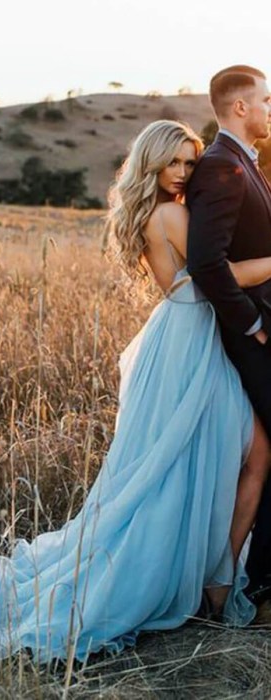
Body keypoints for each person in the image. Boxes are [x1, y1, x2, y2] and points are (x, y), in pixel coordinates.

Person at [0, 120, 271, 665]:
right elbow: (216, 273)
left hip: (179, 336)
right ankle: (217, 585)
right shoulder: (173, 213)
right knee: (239, 458)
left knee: (191, 461)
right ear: (152, 164)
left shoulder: (151, 211)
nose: (184, 173)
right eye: (175, 162)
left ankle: (214, 578)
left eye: (190, 163)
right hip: (189, 344)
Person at [186, 65, 271, 604]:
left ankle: (245, 573)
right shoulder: (222, 165)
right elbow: (206, 264)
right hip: (251, 338)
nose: (269, 108)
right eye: (265, 99)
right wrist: (253, 324)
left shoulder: (241, 163)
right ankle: (255, 581)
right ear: (240, 107)